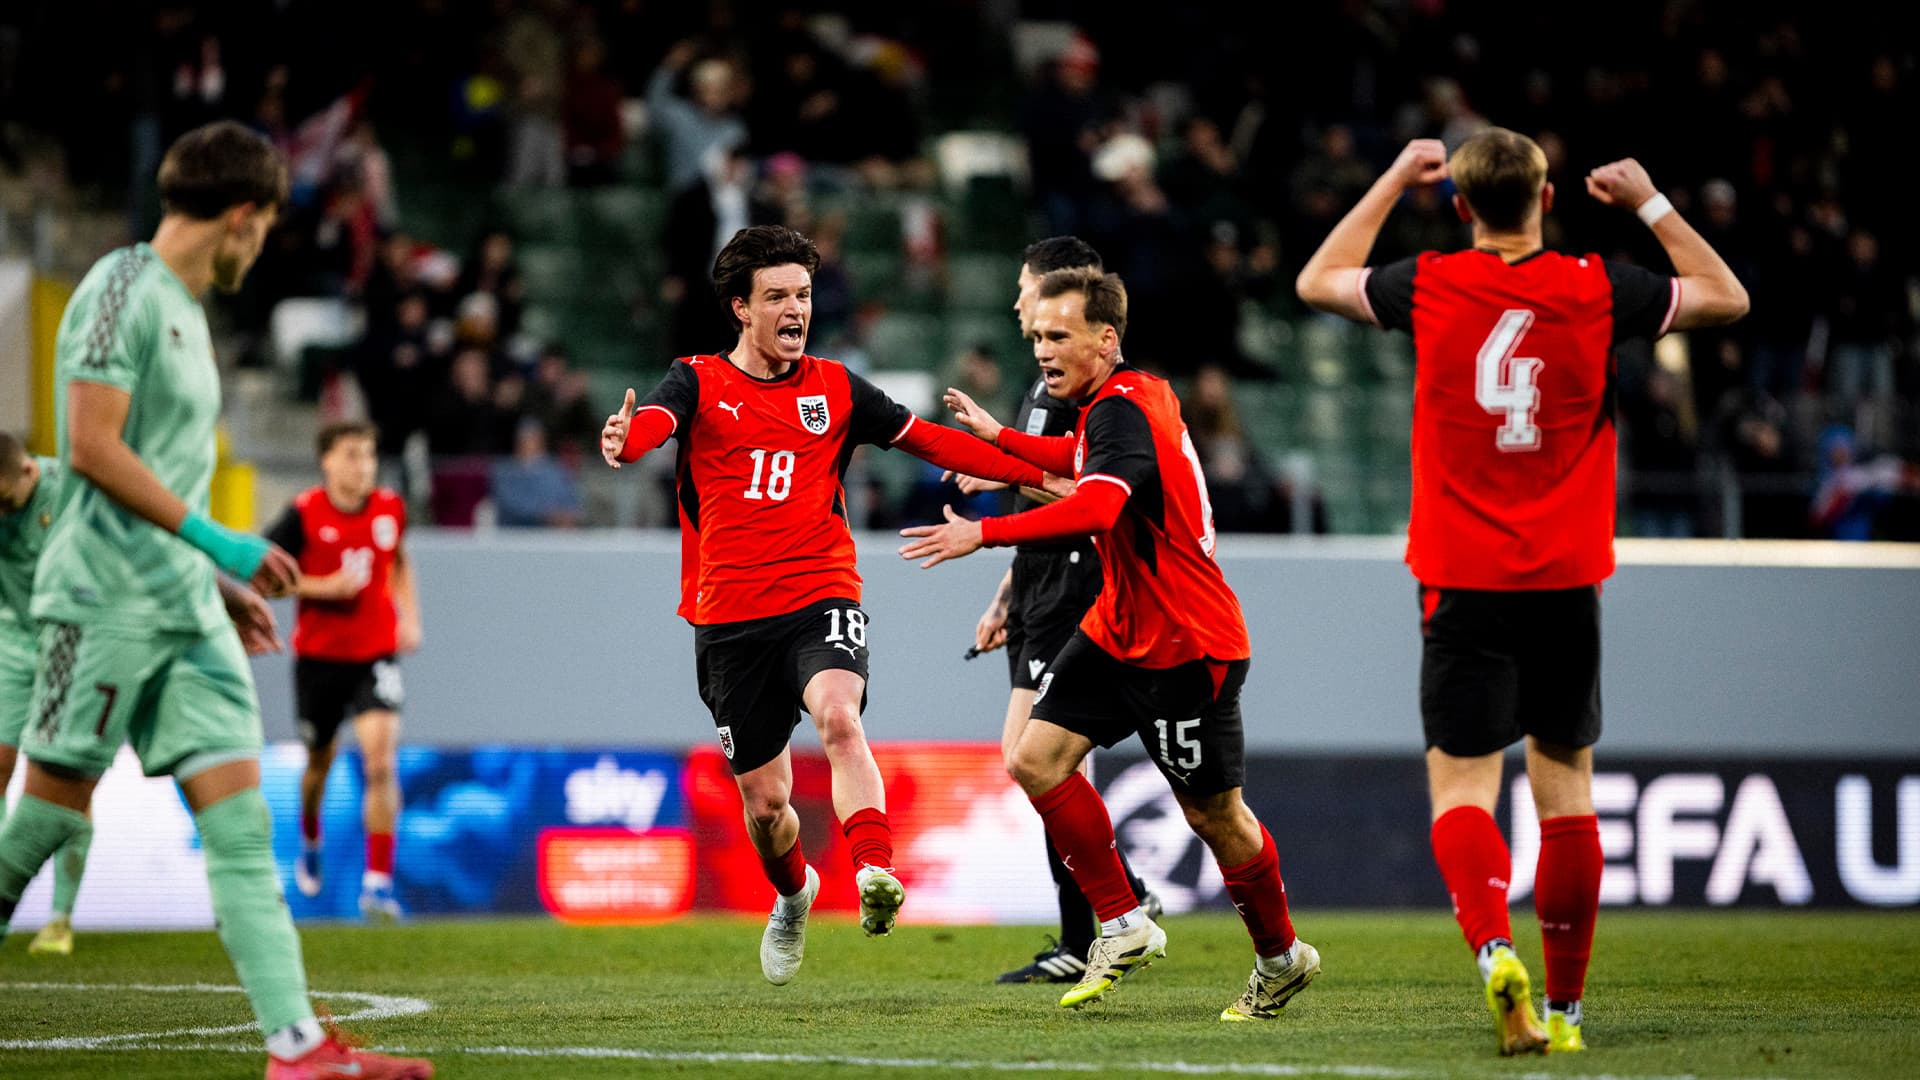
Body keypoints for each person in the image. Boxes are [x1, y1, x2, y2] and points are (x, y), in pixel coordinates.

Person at [1294, 130, 1749, 1055]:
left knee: (1463, 788)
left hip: (1460, 579)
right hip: (1566, 579)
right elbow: (1727, 298)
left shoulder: (1425, 283)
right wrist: (1650, 199)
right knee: (1567, 789)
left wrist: (1392, 176)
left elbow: (1317, 278)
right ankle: (1570, 1010)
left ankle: (1496, 950)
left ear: (1458, 206)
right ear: (1546, 199)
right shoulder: (1597, 286)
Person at [0, 121, 431, 1080]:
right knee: (47, 817)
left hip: (186, 607)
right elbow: (91, 445)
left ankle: (296, 1048)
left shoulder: (193, 315)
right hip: (101, 603)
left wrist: (213, 579)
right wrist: (218, 540)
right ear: (240, 215)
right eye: (265, 227)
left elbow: (161, 476)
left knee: (242, 824)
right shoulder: (120, 288)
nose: (262, 246)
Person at [599, 224, 1062, 986]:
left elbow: (934, 444)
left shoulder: (837, 388)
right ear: (739, 309)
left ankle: (873, 869)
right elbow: (657, 422)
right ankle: (794, 894)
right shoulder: (699, 380)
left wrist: (1026, 460)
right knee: (767, 805)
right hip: (728, 619)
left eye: (804, 295)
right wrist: (630, 436)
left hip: (820, 593)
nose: (795, 309)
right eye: (777, 296)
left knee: (840, 716)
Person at [901, 268, 1320, 1021]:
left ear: (1107, 338)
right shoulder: (1119, 401)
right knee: (1034, 758)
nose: (1042, 350)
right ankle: (1123, 923)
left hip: (1186, 645)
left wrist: (984, 531)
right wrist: (999, 439)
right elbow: (1066, 460)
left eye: (1058, 336)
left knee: (1215, 817)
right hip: (1119, 628)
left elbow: (1096, 501)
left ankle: (1282, 957)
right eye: (1036, 337)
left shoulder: (1123, 412)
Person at [953, 237, 1159, 985]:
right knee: (1036, 764)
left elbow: (1087, 497)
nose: (1019, 308)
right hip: (1038, 590)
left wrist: (996, 484)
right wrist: (1007, 592)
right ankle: (1119, 900)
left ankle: (1099, 922)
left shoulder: (1086, 397)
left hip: (1076, 590)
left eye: (1027, 293)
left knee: (1036, 761)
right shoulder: (1046, 388)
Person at [264, 420, 422, 921]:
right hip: (319, 659)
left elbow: (398, 560)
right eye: (352, 455)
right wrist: (321, 586)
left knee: (381, 762)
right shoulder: (304, 515)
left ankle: (377, 884)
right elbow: (266, 578)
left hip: (374, 654)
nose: (363, 466)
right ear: (327, 461)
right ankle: (311, 838)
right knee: (319, 766)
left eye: (370, 455)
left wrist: (409, 615)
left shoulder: (389, 508)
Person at [0, 434, 95, 955]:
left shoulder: (71, 489)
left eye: (5, 501)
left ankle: (60, 916)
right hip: (13, 640)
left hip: (72, 643)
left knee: (66, 780)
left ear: (29, 475)